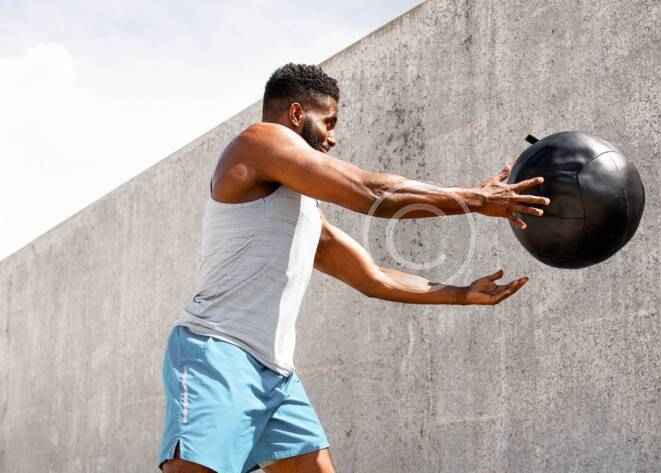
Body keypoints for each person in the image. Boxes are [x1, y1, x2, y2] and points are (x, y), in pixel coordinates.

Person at [158, 63, 549, 473]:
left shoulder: (302, 212)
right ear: (296, 114)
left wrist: (462, 294)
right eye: (328, 122)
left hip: (275, 375)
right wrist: (476, 199)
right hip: (219, 353)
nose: (332, 137)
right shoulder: (259, 141)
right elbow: (370, 191)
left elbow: (371, 277)